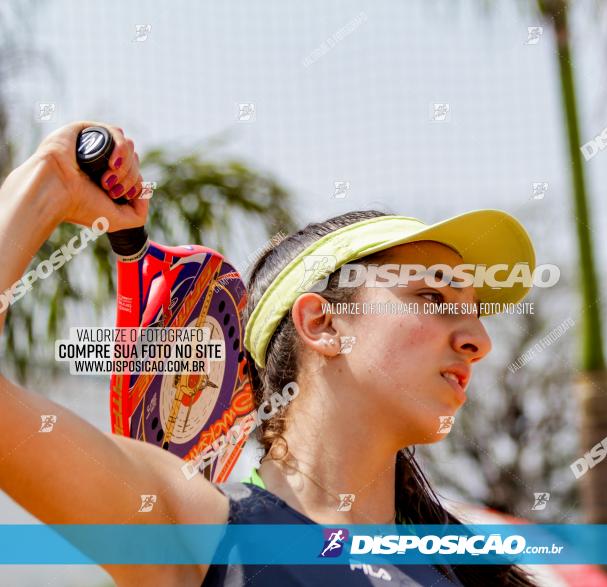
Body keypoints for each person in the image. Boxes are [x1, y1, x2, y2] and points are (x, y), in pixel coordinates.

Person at [0, 122, 540, 586]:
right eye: (432, 296)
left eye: (475, 312)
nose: (479, 340)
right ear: (322, 324)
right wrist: (49, 181)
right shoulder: (195, 530)